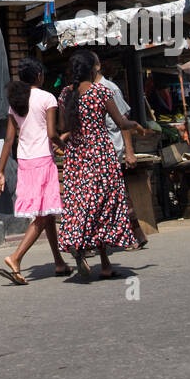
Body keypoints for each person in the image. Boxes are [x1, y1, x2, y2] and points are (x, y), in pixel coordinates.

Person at [58, 50, 151, 281]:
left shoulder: (65, 95)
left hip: (76, 157)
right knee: (104, 206)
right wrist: (137, 124)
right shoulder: (101, 92)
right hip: (100, 156)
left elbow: (64, 127)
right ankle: (104, 262)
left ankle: (81, 248)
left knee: (79, 204)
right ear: (92, 69)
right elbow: (121, 122)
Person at [0, 59, 72, 284]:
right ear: (38, 75)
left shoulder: (17, 101)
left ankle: (58, 261)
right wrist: (66, 147)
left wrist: (0, 171)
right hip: (43, 160)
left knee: (46, 212)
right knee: (43, 214)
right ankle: (16, 257)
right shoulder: (48, 98)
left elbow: (9, 139)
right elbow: (51, 132)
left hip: (25, 162)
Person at [97, 68, 148, 249]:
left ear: (96, 67)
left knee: (120, 196)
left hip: (114, 150)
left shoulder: (109, 89)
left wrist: (129, 151)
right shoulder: (85, 90)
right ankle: (132, 236)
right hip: (98, 154)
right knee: (109, 196)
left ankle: (135, 235)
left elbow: (122, 121)